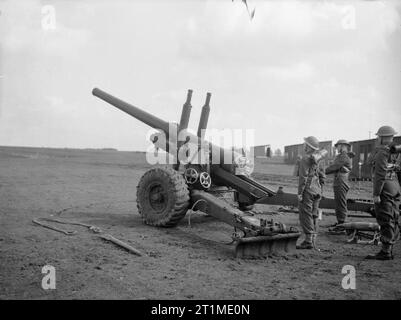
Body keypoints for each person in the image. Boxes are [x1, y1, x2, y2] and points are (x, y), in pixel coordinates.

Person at [366, 126, 400, 260]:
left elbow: (379, 174)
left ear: (381, 138)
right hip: (395, 186)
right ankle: (389, 248)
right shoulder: (395, 152)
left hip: (384, 187)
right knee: (394, 217)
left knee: (385, 218)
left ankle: (385, 251)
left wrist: (376, 194)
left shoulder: (381, 152)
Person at [296, 136, 326, 249]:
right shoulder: (319, 159)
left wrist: (300, 193)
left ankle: (308, 241)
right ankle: (313, 239)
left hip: (308, 189)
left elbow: (303, 178)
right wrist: (320, 190)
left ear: (308, 146)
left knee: (305, 214)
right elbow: (323, 176)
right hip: (317, 189)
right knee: (314, 214)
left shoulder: (305, 159)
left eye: (305, 144)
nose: (303, 145)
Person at [325, 139, 352, 233]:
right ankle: (340, 222)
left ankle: (342, 225)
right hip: (339, 180)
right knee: (339, 202)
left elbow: (334, 167)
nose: (337, 148)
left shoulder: (343, 156)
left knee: (340, 203)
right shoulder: (341, 156)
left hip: (341, 181)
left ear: (343, 146)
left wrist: (321, 171)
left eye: (338, 146)